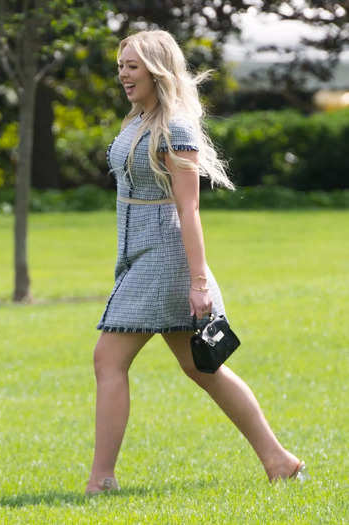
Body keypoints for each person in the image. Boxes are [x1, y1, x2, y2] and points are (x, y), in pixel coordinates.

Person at [85, 30, 306, 494]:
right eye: (121, 65)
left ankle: (101, 479)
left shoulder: (176, 128)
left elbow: (189, 210)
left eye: (133, 66)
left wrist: (200, 282)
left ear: (157, 70)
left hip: (165, 260)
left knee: (107, 358)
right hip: (138, 256)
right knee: (202, 367)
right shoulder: (138, 120)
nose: (123, 74)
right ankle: (278, 459)